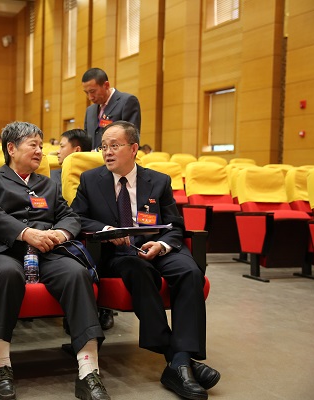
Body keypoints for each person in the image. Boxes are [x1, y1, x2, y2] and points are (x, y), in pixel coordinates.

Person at [71, 121, 220, 400]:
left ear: (133, 149)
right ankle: (178, 359)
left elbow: (175, 224)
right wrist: (107, 231)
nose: (107, 152)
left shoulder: (158, 181)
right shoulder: (91, 180)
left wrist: (162, 245)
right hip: (117, 255)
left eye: (114, 146)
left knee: (190, 271)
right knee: (137, 269)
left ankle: (179, 361)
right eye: (104, 147)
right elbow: (76, 218)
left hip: (156, 248)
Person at [0, 121, 110, 400]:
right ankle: (1, 366)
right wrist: (26, 233)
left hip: (47, 252)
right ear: (12, 148)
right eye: (33, 145)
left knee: (75, 273)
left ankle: (89, 370)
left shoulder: (48, 184)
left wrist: (59, 234)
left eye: (41, 145)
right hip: (6, 250)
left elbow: (70, 216)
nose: (40, 151)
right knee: (7, 274)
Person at [82, 68, 141, 149]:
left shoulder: (127, 102)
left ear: (106, 85)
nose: (90, 97)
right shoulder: (89, 110)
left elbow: (131, 139)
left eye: (92, 91)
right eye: (86, 93)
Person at [50, 128, 92, 196]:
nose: (58, 151)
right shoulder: (51, 177)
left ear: (77, 150)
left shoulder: (94, 178)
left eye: (62, 146)